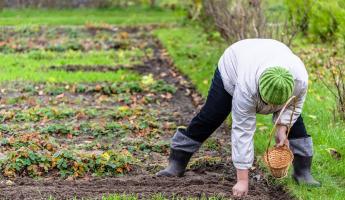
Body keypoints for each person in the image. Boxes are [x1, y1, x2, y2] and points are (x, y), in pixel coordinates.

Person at [156, 39, 321, 197]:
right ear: (259, 91)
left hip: (270, 53)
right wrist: (242, 180)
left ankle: (302, 171)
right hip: (235, 63)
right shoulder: (246, 86)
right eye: (267, 102)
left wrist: (282, 127)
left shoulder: (300, 80)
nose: (270, 108)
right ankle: (178, 159)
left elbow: (294, 106)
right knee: (212, 116)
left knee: (295, 121)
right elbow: (243, 130)